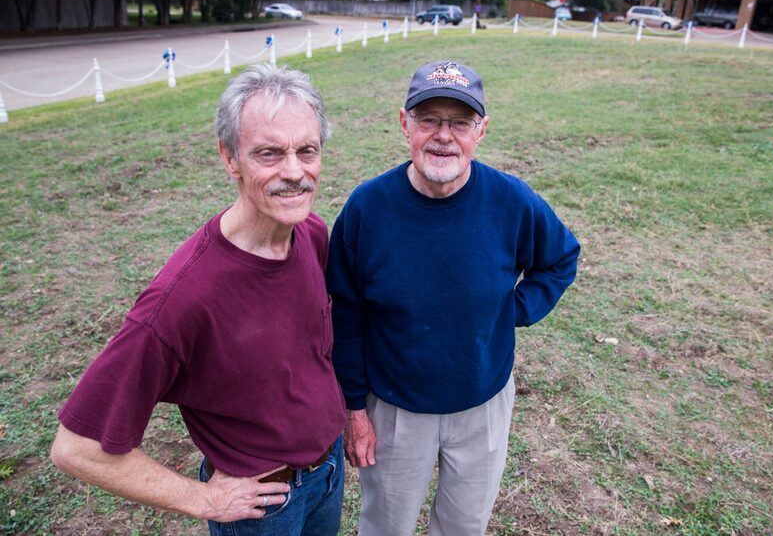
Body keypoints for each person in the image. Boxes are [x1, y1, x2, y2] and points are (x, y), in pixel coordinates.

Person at [50, 63, 346, 536]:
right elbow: (75, 447)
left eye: (306, 151)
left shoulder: (310, 234)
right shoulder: (182, 298)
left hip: (328, 475)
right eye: (269, 154)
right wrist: (202, 497)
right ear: (229, 158)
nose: (295, 172)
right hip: (262, 509)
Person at [326, 60, 581, 535]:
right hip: (395, 408)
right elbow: (345, 313)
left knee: (464, 527)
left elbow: (561, 258)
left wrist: (514, 310)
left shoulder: (513, 202)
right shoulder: (368, 208)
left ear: (480, 131)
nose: (444, 136)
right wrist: (354, 409)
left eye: (460, 122)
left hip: (482, 404)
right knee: (385, 526)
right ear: (405, 124)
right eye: (429, 120)